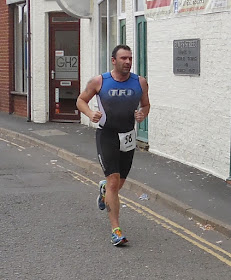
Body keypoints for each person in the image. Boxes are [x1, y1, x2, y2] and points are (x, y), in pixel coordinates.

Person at [77, 45, 150, 246]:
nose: (128, 62)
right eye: (124, 58)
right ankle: (116, 231)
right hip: (107, 135)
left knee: (118, 185)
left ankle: (104, 191)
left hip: (128, 136)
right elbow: (81, 100)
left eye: (130, 58)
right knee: (113, 181)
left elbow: (146, 104)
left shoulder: (140, 82)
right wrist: (91, 114)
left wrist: (142, 114)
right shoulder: (99, 81)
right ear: (113, 61)